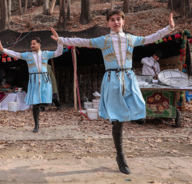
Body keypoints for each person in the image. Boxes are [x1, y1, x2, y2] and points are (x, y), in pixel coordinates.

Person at [51, 10, 175, 174]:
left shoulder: (131, 39)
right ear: (108, 23)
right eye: (112, 20)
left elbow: (151, 38)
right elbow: (83, 41)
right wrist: (61, 40)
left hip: (129, 78)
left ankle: (136, 117)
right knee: (118, 122)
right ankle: (120, 157)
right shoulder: (104, 40)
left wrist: (168, 29)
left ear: (123, 21)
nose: (116, 22)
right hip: (113, 80)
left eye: (118, 19)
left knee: (140, 105)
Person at [0, 36, 63, 133]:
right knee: (35, 104)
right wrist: (3, 49)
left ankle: (44, 105)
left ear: (39, 45)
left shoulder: (46, 54)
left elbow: (59, 52)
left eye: (33, 44)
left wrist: (60, 41)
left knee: (46, 101)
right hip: (34, 81)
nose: (31, 45)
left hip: (45, 80)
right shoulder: (28, 55)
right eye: (31, 44)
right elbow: (16, 54)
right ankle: (36, 125)